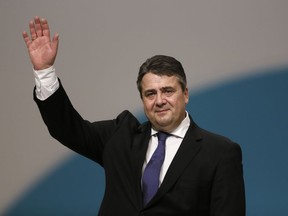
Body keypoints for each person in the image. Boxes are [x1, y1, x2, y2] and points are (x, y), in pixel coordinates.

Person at [23, 17, 245, 216]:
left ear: (185, 94)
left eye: (168, 91)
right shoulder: (120, 137)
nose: (159, 100)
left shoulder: (220, 153)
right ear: (142, 99)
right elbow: (66, 128)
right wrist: (44, 71)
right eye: (150, 93)